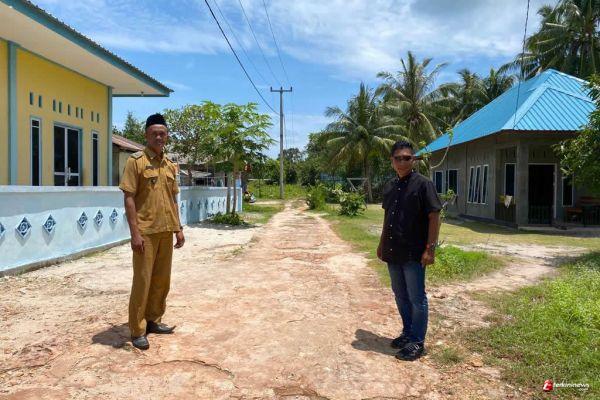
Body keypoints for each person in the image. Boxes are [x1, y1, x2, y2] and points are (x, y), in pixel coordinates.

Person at [119, 113, 185, 350]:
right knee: (143, 281)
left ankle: (153, 320)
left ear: (167, 136)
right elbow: (129, 198)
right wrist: (135, 234)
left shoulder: (170, 165)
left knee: (161, 280)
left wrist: (178, 228)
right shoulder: (135, 162)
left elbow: (173, 199)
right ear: (146, 135)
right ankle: (137, 330)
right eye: (154, 133)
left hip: (166, 231)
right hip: (145, 233)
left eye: (162, 133)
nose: (159, 137)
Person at [377, 140, 441, 361]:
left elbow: (434, 216)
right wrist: (381, 244)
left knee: (416, 297)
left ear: (413, 160)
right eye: (398, 158)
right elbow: (387, 218)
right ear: (392, 161)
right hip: (393, 251)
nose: (402, 162)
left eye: (407, 158)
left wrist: (430, 249)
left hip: (414, 253)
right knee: (400, 295)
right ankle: (407, 332)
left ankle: (417, 342)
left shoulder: (424, 185)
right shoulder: (390, 186)